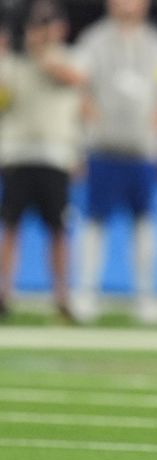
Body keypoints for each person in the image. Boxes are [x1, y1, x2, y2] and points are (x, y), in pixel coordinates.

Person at [72, 0, 157, 325]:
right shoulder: (93, 40)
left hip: (141, 152)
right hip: (103, 148)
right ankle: (86, 293)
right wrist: (92, 128)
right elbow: (79, 87)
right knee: (93, 222)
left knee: (144, 223)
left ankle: (146, 297)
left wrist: (155, 135)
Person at [0, 0, 83, 321]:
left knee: (59, 230)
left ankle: (62, 296)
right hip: (19, 154)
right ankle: (4, 292)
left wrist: (39, 52)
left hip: (55, 156)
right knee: (10, 226)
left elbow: (72, 78)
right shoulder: (13, 63)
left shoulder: (69, 57)